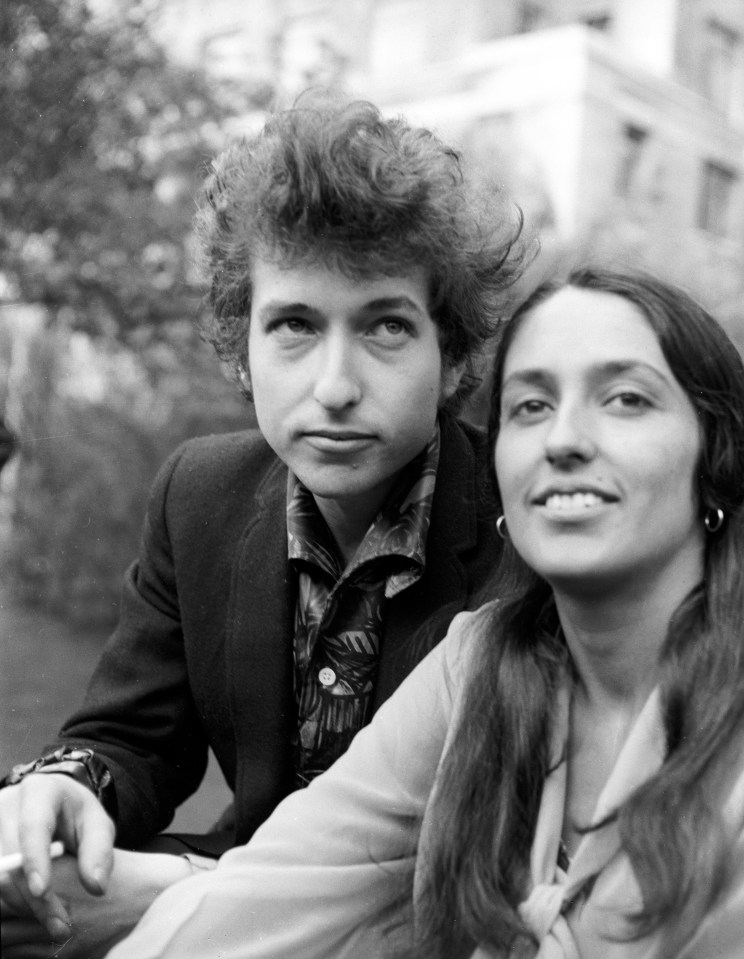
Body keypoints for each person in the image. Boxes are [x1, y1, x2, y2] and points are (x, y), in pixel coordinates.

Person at [103, 267, 744, 959]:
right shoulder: (478, 662)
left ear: (716, 458)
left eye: (625, 400)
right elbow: (271, 888)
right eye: (530, 406)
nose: (563, 438)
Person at [0, 92, 525, 956]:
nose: (334, 384)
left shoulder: (524, 535)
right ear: (239, 349)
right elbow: (131, 738)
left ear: (455, 353)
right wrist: (68, 788)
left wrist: (176, 896)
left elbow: (488, 862)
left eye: (386, 326)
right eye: (293, 325)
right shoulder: (198, 494)